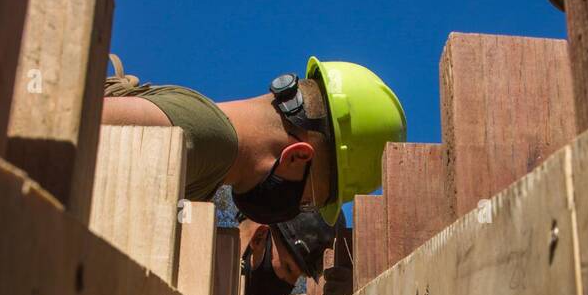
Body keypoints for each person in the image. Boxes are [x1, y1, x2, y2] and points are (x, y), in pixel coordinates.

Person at [102, 56, 406, 226]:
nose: (295, 208)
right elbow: (64, 122)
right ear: (296, 157)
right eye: (306, 199)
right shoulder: (209, 140)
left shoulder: (208, 152)